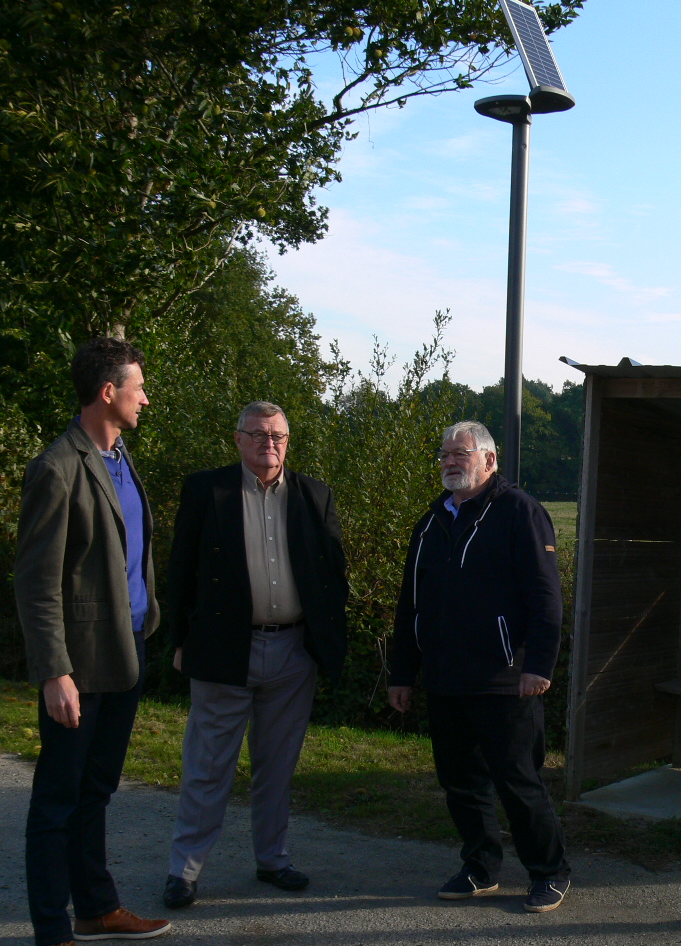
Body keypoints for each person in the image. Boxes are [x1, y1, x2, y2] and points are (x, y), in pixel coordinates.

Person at [15, 338, 171, 945]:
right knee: (58, 799)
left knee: (96, 791)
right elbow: (36, 583)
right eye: (138, 387)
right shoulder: (57, 467)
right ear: (108, 393)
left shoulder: (119, 455)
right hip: (78, 666)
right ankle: (54, 930)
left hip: (125, 648)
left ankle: (97, 908)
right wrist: (55, 671)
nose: (146, 398)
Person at [163, 401, 348, 908]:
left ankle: (273, 859)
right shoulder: (207, 490)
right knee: (208, 765)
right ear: (239, 439)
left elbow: (334, 575)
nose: (270, 444)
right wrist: (179, 641)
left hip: (292, 652)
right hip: (224, 650)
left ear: (288, 441)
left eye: (279, 436)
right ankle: (184, 871)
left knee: (278, 765)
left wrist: (325, 641)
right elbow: (179, 571)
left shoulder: (314, 494)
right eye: (259, 434)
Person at [387, 420, 571, 914]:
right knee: (460, 782)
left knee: (518, 782)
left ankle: (549, 871)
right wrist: (402, 673)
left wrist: (538, 665)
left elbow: (546, 597)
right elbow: (411, 605)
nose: (450, 462)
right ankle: (481, 866)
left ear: (489, 460)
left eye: (461, 454)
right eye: (444, 454)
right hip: (445, 677)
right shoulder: (431, 521)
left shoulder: (519, 511)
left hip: (505, 679)